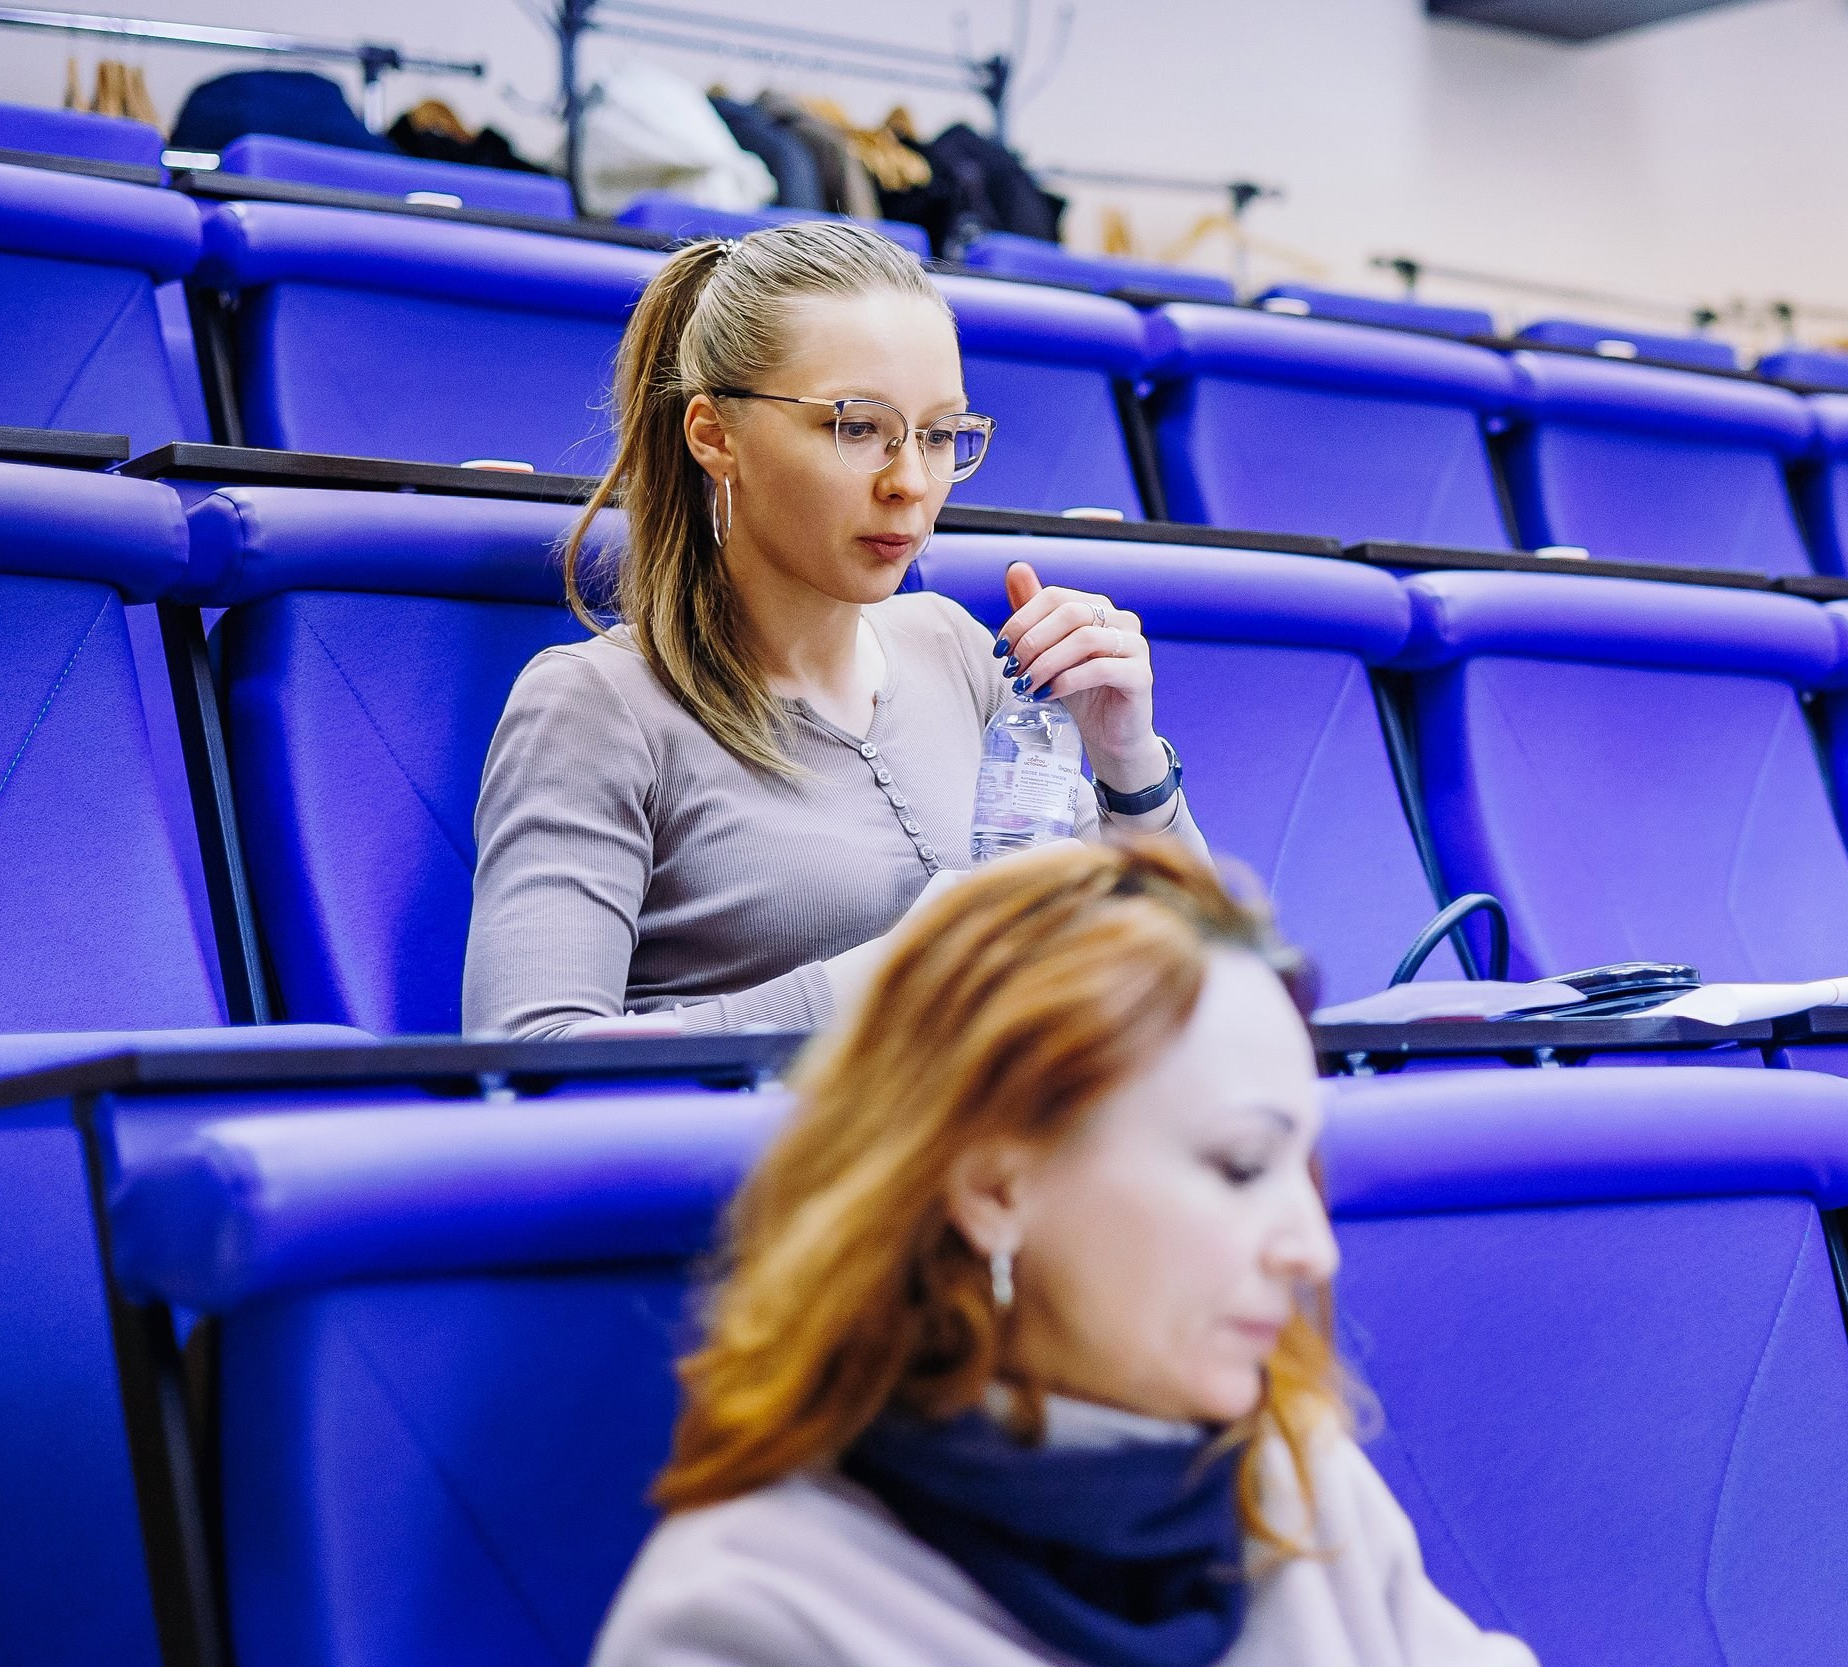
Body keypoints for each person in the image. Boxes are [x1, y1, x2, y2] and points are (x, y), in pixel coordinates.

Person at [591, 840, 1538, 1667]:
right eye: (1243, 1164)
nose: (1312, 1250)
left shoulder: (1301, 1483)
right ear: (996, 1189)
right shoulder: (747, 1619)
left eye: (1306, 1168)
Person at [462, 221, 1205, 1040]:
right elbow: (530, 1060)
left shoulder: (960, 648)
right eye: (858, 428)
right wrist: (900, 972)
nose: (911, 483)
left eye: (939, 435)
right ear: (714, 434)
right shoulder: (596, 703)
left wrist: (1129, 764)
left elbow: (1190, 981)